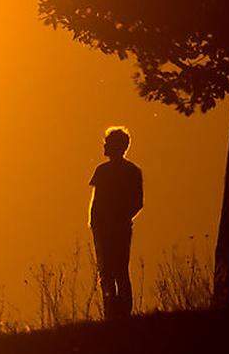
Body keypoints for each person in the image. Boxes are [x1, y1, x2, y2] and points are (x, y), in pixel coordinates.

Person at [88, 126, 143, 319]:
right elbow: (138, 203)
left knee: (111, 271)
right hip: (112, 227)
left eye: (107, 143)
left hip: (110, 229)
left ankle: (114, 312)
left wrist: (107, 222)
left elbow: (98, 201)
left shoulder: (103, 171)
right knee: (117, 270)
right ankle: (118, 312)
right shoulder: (133, 171)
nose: (104, 145)